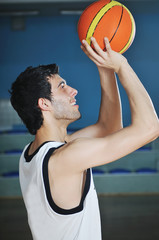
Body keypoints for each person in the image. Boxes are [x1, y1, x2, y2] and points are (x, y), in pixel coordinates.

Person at [9, 37, 159, 240]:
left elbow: (109, 127)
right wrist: (122, 65)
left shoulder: (33, 153)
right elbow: (150, 127)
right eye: (62, 86)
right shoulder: (66, 157)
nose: (73, 91)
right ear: (44, 104)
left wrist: (105, 67)